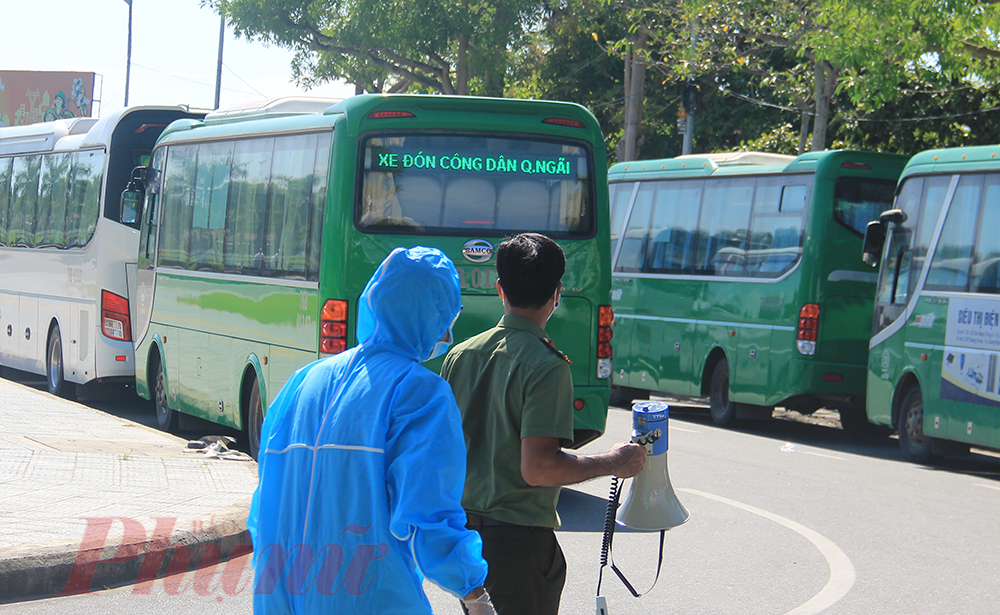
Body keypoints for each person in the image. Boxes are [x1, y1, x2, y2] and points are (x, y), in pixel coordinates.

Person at [249, 246, 496, 615]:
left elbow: (265, 505)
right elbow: (427, 515)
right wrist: (473, 591)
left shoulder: (302, 383)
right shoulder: (418, 394)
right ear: (430, 315)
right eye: (447, 314)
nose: (448, 329)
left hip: (282, 596)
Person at [441, 233, 648, 615]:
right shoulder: (546, 365)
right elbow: (538, 468)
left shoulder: (460, 355)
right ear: (557, 292)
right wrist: (613, 463)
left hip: (465, 540)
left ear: (500, 289)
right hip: (516, 547)